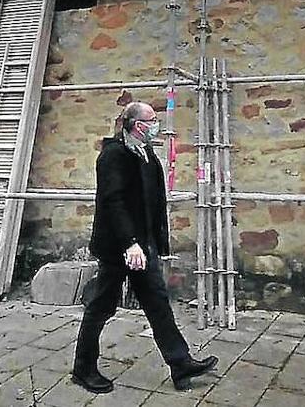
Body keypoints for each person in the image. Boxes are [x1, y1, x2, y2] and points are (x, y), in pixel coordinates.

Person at [71, 101, 218, 394]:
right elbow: (114, 203)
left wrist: (156, 245)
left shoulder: (146, 153)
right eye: (152, 120)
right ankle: (83, 368)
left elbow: (153, 202)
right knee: (101, 306)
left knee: (157, 303)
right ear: (138, 125)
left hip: (143, 246)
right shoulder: (113, 156)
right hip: (118, 248)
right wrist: (129, 243)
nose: (157, 125)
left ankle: (180, 363)